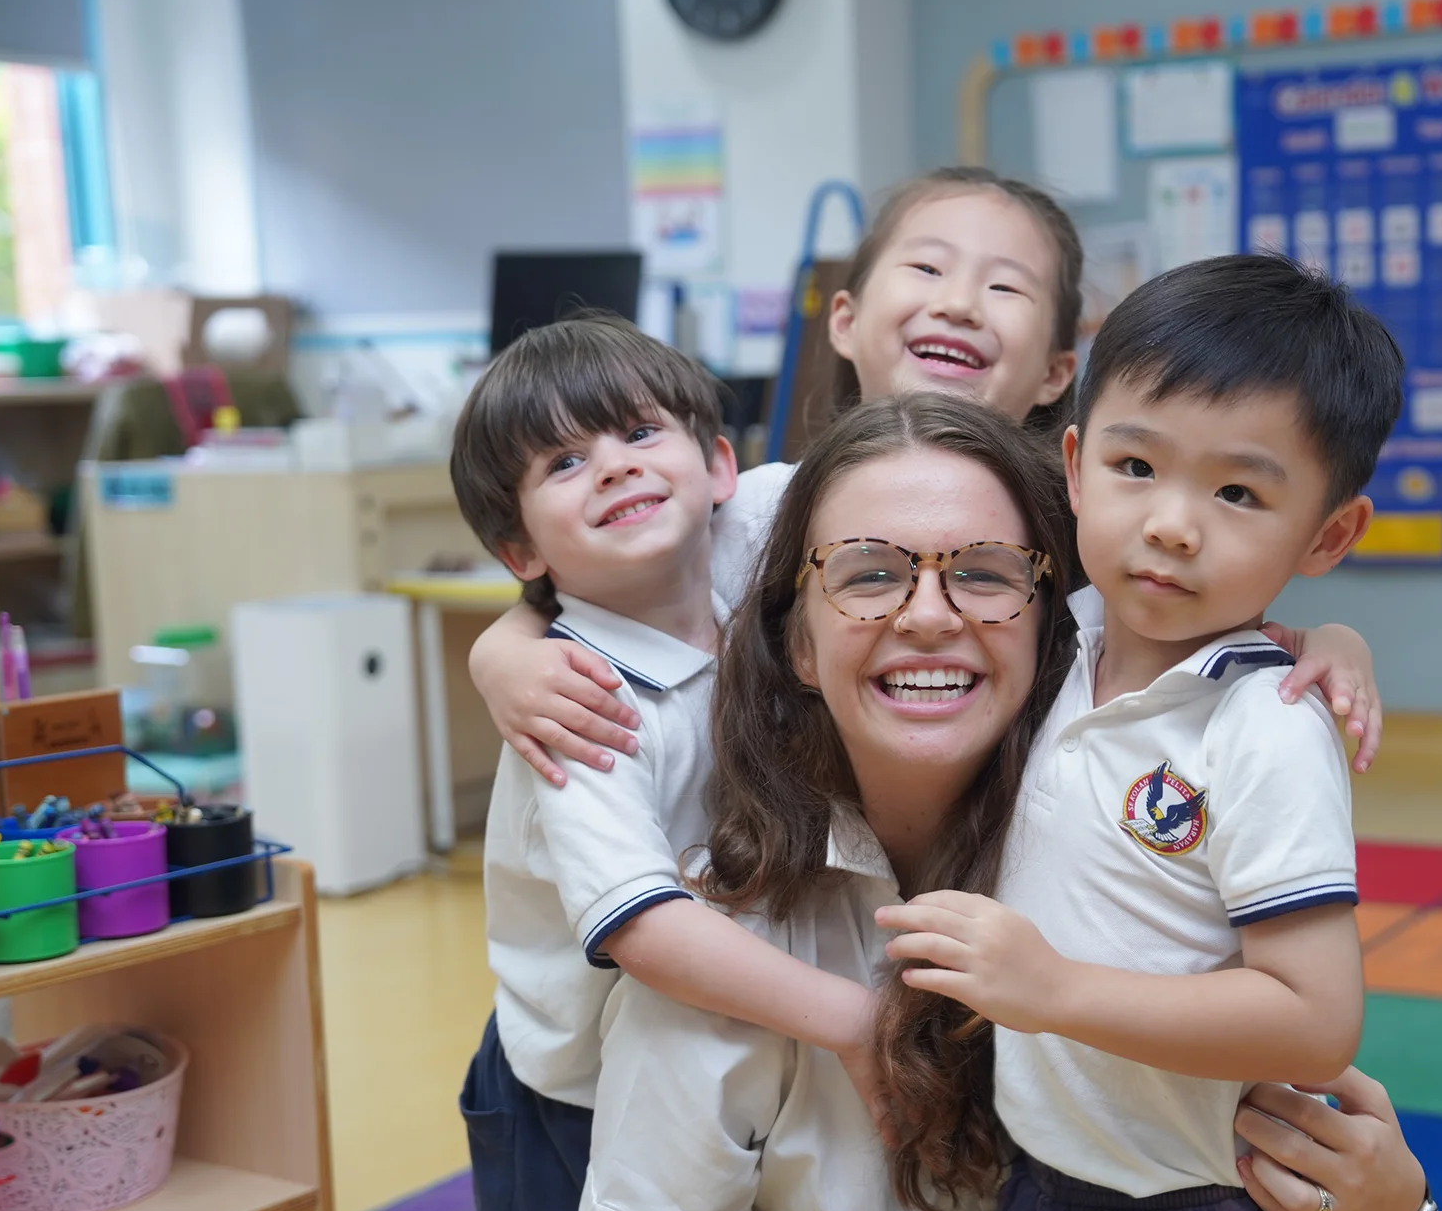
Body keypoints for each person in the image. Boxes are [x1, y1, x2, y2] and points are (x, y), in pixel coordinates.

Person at [578, 394, 1432, 1211]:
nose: (929, 615)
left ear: (1057, 626)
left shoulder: (1108, 869)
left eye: (983, 573)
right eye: (868, 574)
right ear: (797, 644)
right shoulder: (718, 962)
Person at [877, 255, 1418, 1211]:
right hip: (1047, 1197)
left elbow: (1316, 1019)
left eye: (1239, 496)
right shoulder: (1050, 638)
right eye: (1135, 466)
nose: (1170, 526)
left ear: (1327, 534)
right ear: (1073, 467)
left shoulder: (1267, 728)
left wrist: (1053, 987)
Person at [466, 167, 1383, 785]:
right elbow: (599, 577)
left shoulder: (1087, 532)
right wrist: (505, 650)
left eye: (1006, 287)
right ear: (845, 320)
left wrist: (1325, 642)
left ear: (1059, 373)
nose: (956, 300)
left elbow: (1193, 635)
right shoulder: (762, 507)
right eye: (928, 267)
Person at [450, 313, 896, 1211]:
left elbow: (923, 481)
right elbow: (644, 927)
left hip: (717, 1050)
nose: (612, 466)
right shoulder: (581, 704)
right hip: (571, 1087)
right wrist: (853, 1021)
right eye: (563, 464)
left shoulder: (756, 542)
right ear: (523, 556)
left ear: (720, 469)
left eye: (638, 433)